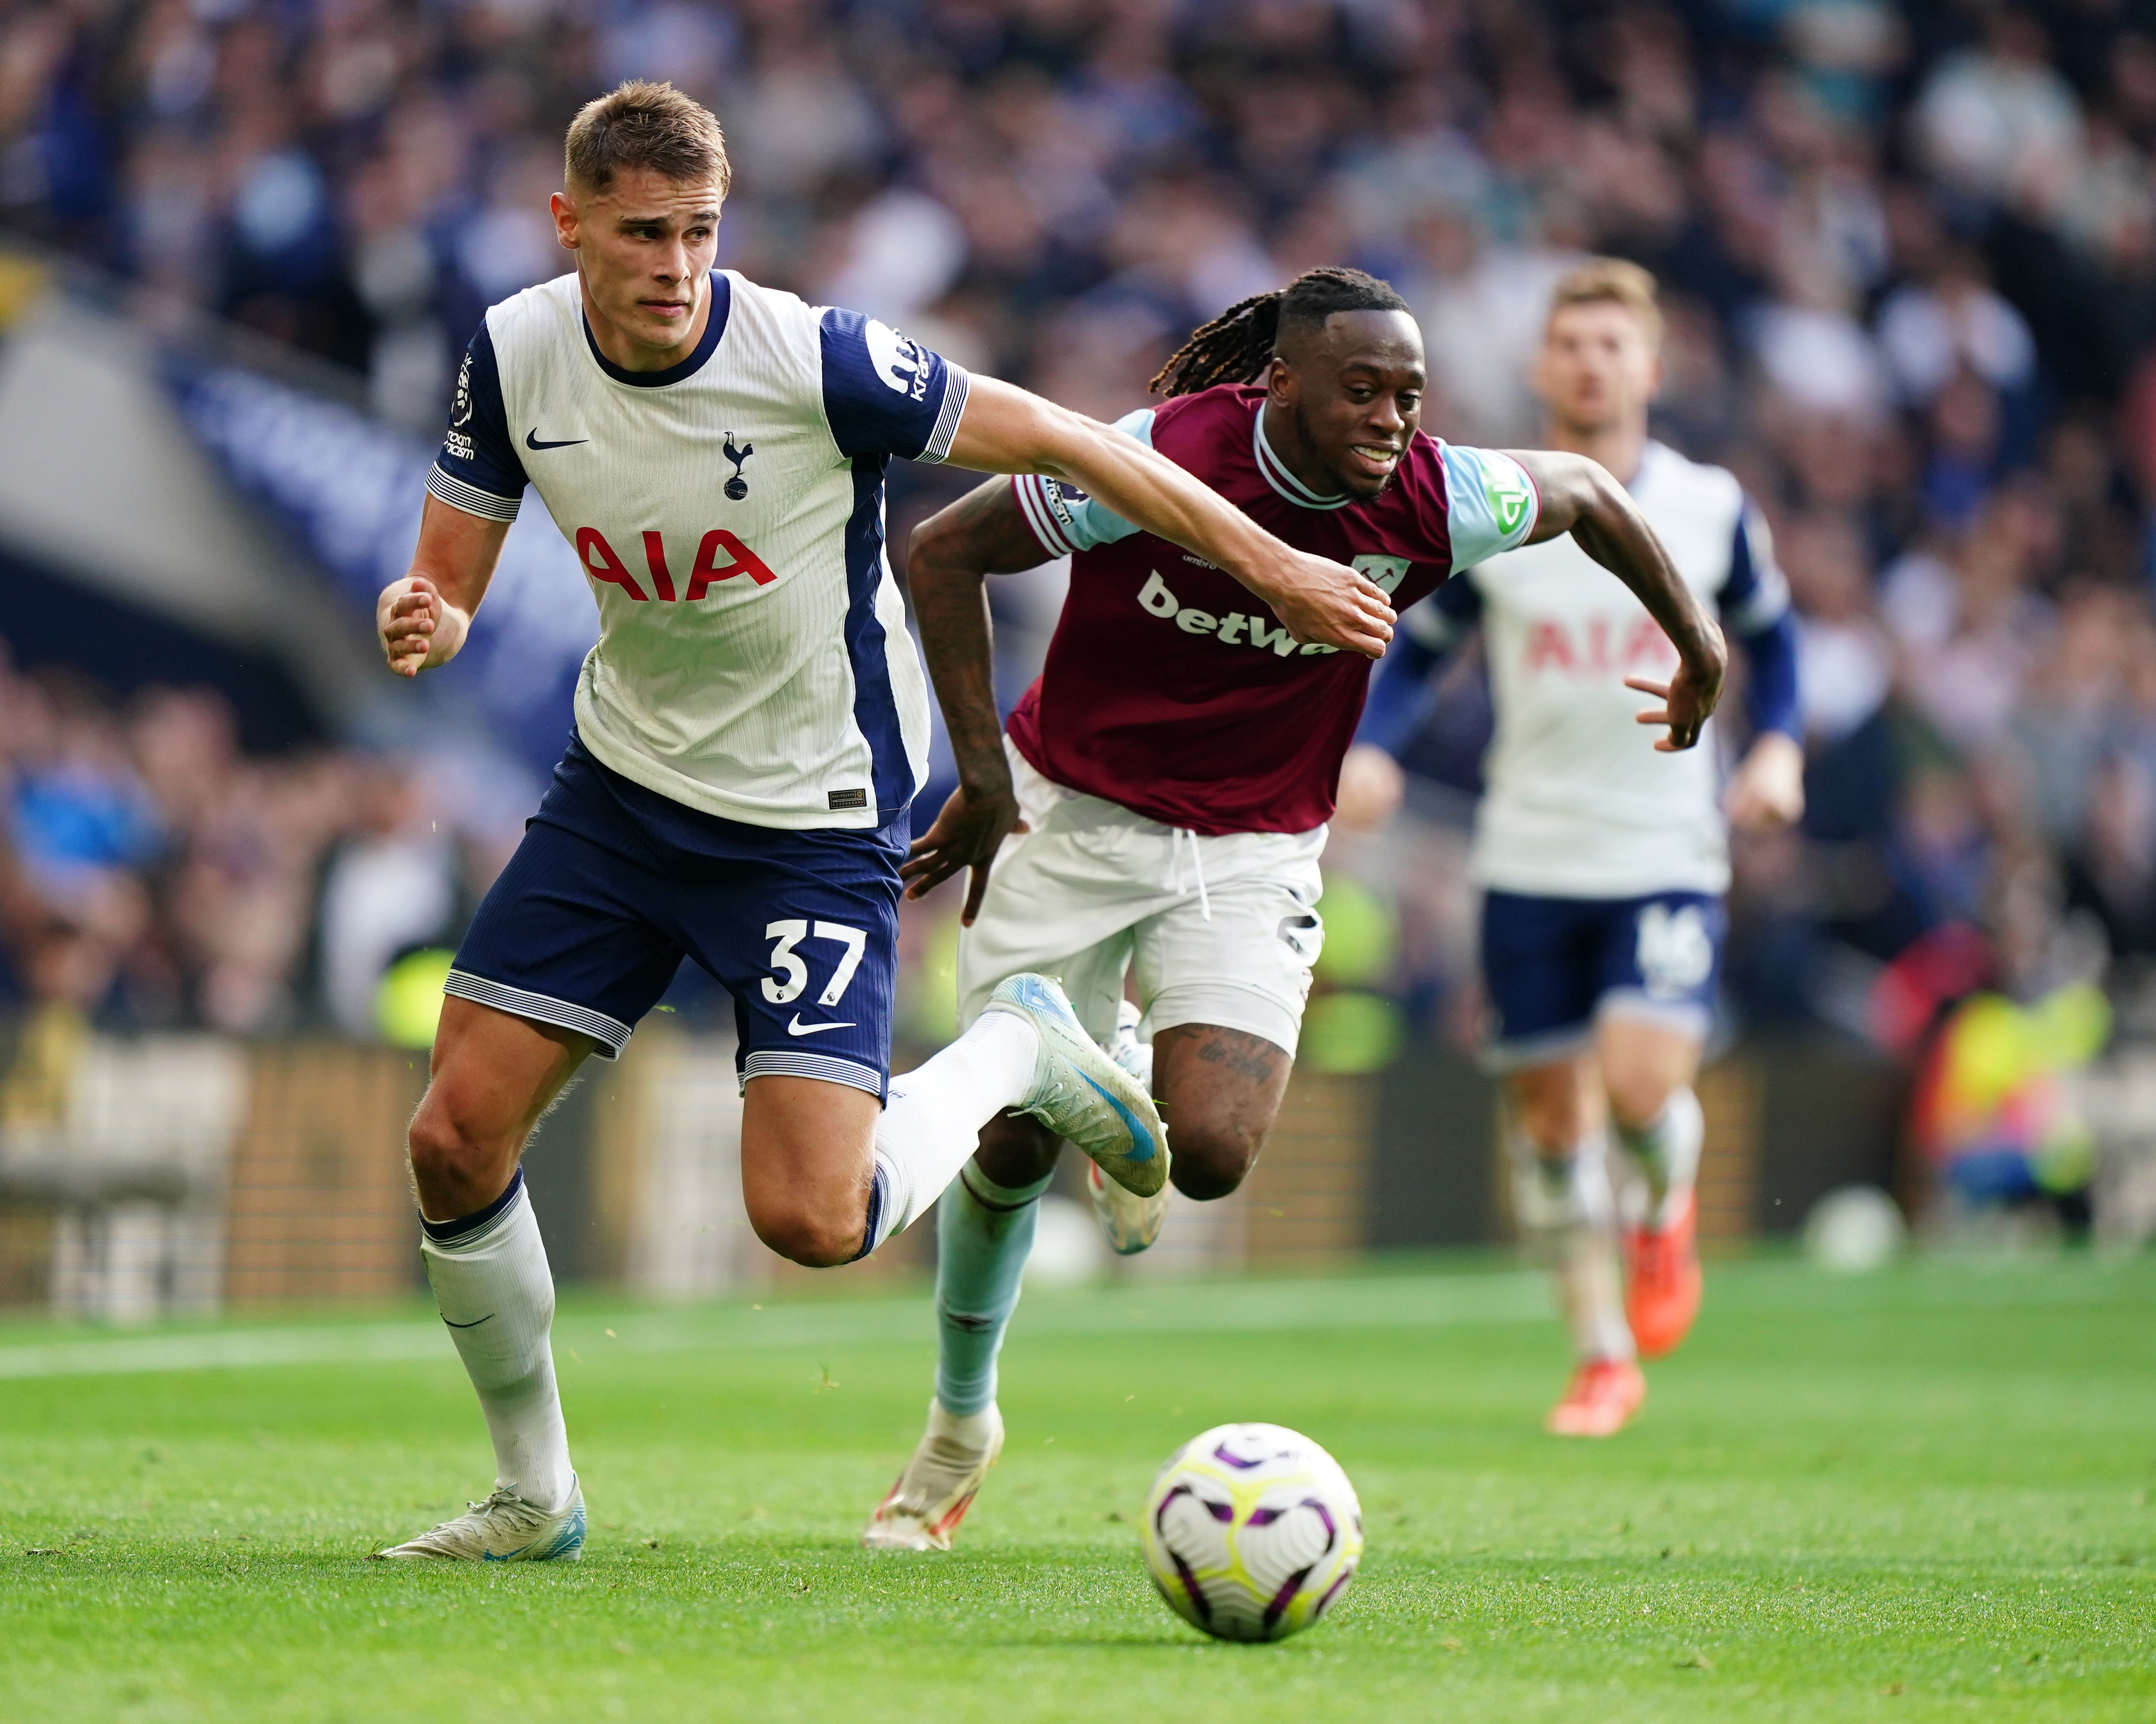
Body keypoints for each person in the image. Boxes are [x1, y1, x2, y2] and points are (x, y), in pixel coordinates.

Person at [368, 81, 1399, 1563]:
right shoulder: (514, 348)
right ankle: (536, 1494)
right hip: (621, 794)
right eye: (643, 233)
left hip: (811, 812)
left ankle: (1023, 1049)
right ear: (569, 224)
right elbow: (451, 572)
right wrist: (432, 614)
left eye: (699, 233)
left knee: (811, 1219)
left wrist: (1279, 569)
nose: (673, 265)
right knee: (454, 1139)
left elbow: (1067, 443)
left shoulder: (818, 357)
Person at [862, 265, 1729, 1552]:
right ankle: (958, 1423)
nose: (1391, 419)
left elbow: (1592, 495)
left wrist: (1697, 645)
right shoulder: (1152, 463)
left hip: (1254, 844)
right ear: (1281, 383)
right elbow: (942, 552)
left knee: (1209, 1155)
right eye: (1362, 392)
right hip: (1074, 809)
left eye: (1410, 395)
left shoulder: (1439, 495)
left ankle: (1096, 1097)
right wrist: (983, 780)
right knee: (1008, 1150)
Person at [1344, 259, 1805, 1438]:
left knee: (1645, 1083)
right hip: (1527, 854)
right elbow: (1419, 642)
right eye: (1572, 345)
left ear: (1649, 367)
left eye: (1613, 345)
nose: (1591, 363)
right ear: (1543, 365)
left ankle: (1664, 1208)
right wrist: (1378, 747)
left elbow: (1771, 637)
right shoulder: (1502, 504)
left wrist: (1777, 749)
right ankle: (1601, 1358)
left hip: (1663, 846)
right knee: (1551, 1123)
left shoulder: (1709, 506)